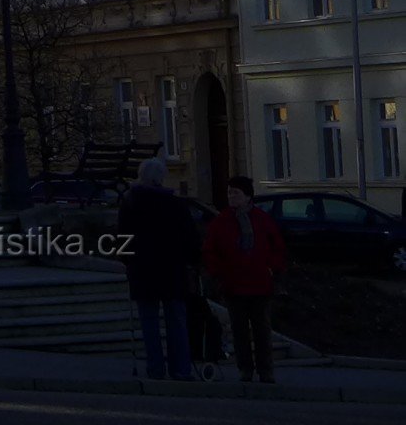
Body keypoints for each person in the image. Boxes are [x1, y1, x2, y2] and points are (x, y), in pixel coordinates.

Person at [115, 155, 200, 381]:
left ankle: (155, 368)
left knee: (149, 322)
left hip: (142, 270)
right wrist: (192, 261)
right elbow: (190, 238)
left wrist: (127, 260)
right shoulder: (175, 204)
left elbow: (122, 238)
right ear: (161, 178)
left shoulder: (130, 202)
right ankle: (181, 369)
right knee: (176, 321)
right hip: (172, 270)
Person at [200, 174, 288, 383]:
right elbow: (210, 250)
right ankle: (245, 369)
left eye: (236, 193)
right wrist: (218, 273)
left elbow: (277, 248)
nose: (232, 197)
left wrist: (272, 268)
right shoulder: (222, 221)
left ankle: (265, 370)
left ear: (248, 196)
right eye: (230, 193)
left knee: (262, 331)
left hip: (259, 283)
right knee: (239, 331)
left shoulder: (262, 220)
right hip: (233, 284)